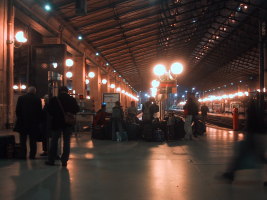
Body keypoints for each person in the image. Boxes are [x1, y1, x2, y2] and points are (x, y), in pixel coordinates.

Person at [218, 93, 267, 183]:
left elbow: (252, 120)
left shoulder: (253, 105)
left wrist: (246, 130)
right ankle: (230, 173)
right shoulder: (259, 105)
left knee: (244, 155)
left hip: (254, 133)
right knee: (256, 156)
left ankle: (230, 174)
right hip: (258, 133)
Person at [45, 86, 79, 167]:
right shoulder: (72, 99)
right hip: (67, 123)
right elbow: (77, 109)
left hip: (56, 123)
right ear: (67, 91)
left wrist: (56, 115)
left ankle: (51, 160)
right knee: (67, 142)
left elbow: (49, 110)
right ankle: (64, 161)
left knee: (54, 141)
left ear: (59, 91)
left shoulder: (54, 99)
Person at [15, 86, 42, 159]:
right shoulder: (37, 99)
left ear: (28, 91)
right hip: (33, 123)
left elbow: (17, 110)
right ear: (34, 92)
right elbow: (39, 112)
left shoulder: (21, 98)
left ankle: (23, 155)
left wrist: (20, 118)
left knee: (23, 140)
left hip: (23, 122)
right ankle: (32, 155)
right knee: (33, 140)